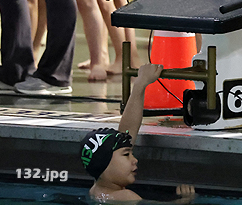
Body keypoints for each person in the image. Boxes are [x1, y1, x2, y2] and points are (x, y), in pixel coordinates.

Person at [80, 63, 196, 203]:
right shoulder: (125, 197)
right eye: (126, 154)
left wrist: (140, 85)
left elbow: (127, 132)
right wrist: (185, 200)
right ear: (105, 165)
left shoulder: (96, 190)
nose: (135, 159)